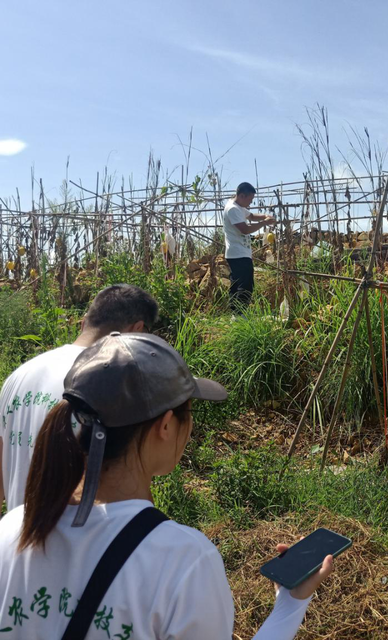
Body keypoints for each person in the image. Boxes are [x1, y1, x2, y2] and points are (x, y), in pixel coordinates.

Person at [0, 332, 334, 638]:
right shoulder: (184, 561)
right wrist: (289, 606)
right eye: (188, 413)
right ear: (165, 425)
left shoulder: (13, 530)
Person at [0, 284, 158, 512]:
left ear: (84, 322)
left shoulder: (18, 376)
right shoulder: (110, 381)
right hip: (84, 542)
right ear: (137, 330)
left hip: (19, 540)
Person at [223, 182, 275, 312]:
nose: (251, 203)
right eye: (250, 199)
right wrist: (265, 222)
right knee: (245, 285)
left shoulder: (238, 206)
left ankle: (235, 314)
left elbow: (251, 216)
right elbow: (245, 229)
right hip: (238, 254)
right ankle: (240, 314)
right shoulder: (233, 209)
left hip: (238, 253)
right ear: (241, 195)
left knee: (236, 285)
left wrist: (264, 216)